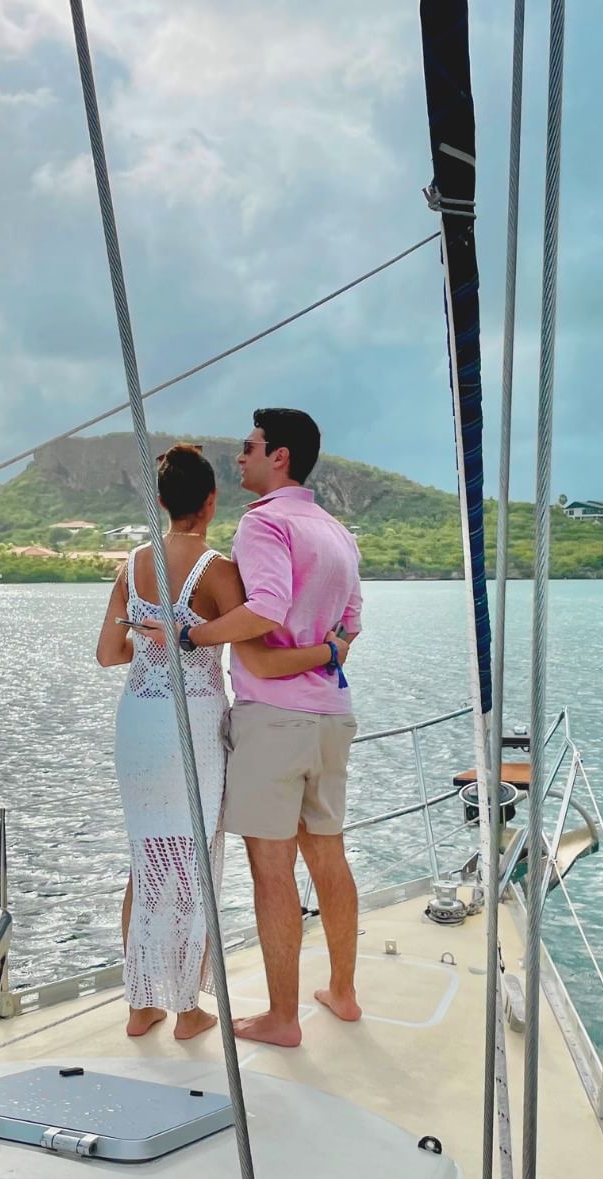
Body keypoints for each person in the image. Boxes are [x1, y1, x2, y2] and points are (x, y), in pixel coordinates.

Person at [97, 444, 350, 1040]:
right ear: (210, 503)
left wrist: (151, 643)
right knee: (195, 863)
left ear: (160, 502)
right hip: (195, 724)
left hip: (138, 721)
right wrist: (329, 651)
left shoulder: (131, 564)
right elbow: (255, 653)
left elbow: (109, 654)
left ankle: (140, 1005)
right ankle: (188, 1010)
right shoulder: (217, 570)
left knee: (147, 857)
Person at [160, 408, 363, 1049]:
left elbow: (266, 608)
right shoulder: (338, 532)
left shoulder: (263, 523)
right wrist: (326, 653)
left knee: (270, 869)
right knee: (327, 853)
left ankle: (282, 1018)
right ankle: (344, 992)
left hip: (274, 718)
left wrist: (191, 633)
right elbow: (350, 626)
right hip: (331, 715)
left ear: (279, 456)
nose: (240, 457)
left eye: (249, 448)